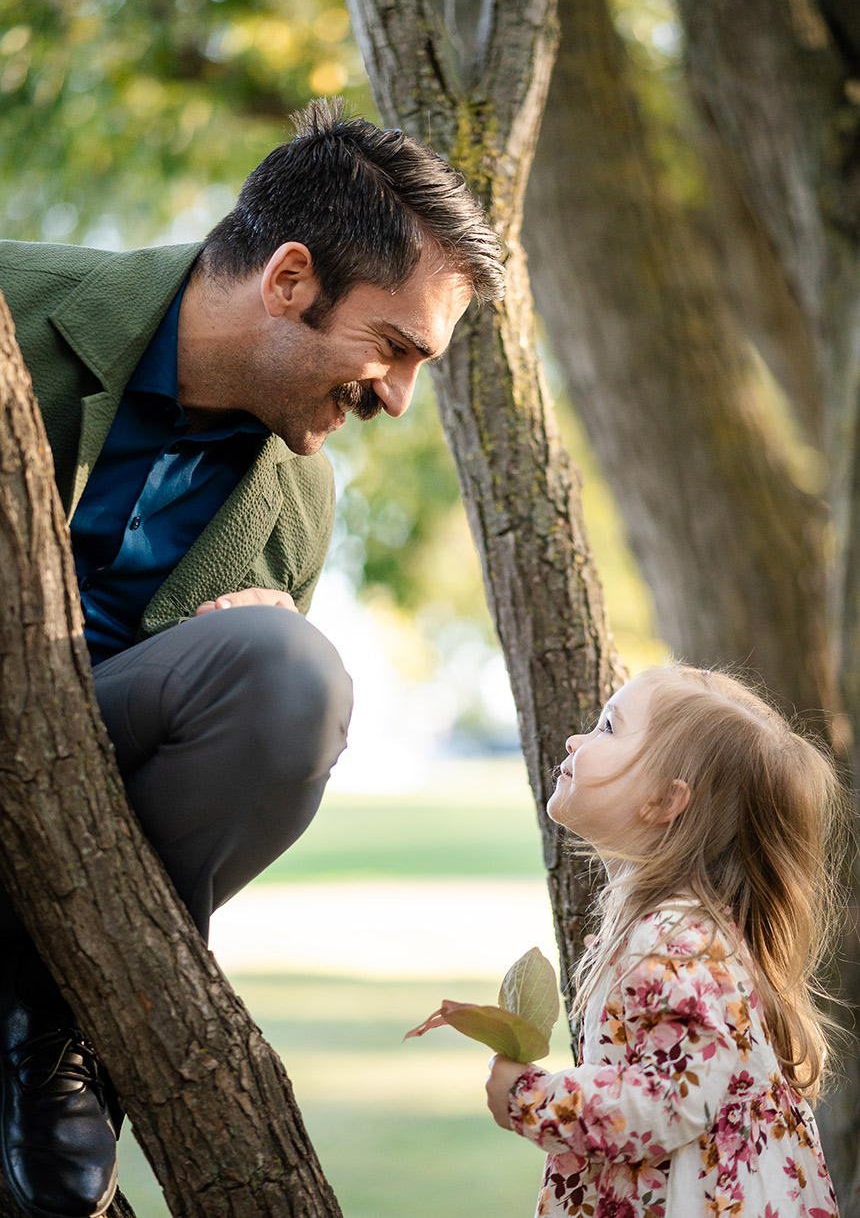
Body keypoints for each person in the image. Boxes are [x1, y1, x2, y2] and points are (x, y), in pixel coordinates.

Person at [0, 98, 506, 1218]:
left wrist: (223, 649)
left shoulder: (297, 499)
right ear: (287, 280)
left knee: (287, 668)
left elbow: (197, 778)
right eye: (392, 345)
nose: (393, 395)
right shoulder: (13, 306)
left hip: (59, 838)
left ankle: (49, 1026)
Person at [484, 664, 844, 1217]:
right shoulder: (679, 928)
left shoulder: (674, 939)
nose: (575, 739)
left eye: (607, 726)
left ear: (663, 801)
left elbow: (671, 1099)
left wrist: (529, 1100)